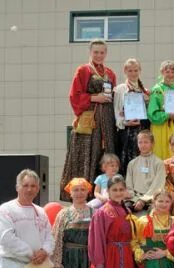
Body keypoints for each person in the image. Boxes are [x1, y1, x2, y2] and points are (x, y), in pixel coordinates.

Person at [60, 39, 117, 201]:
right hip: (89, 121)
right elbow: (74, 96)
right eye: (96, 52)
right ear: (90, 53)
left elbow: (114, 97)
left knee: (106, 154)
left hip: (107, 121)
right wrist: (94, 97)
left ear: (106, 53)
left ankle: (107, 195)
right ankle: (83, 197)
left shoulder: (111, 73)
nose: (99, 55)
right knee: (86, 155)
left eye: (102, 52)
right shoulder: (83, 70)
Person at [113, 58, 150, 175]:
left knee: (144, 162)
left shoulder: (145, 91)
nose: (133, 73)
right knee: (128, 162)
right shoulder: (120, 89)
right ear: (125, 71)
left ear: (140, 71)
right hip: (127, 132)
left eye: (135, 70)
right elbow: (116, 112)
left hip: (143, 130)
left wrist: (148, 101)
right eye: (130, 71)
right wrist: (124, 122)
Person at [147, 60, 174, 161]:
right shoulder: (157, 89)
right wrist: (167, 115)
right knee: (162, 153)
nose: (170, 75)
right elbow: (152, 113)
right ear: (162, 72)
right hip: (161, 127)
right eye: (167, 72)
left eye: (172, 72)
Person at [125, 130, 166, 213]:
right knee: (124, 211)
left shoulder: (159, 163)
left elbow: (158, 185)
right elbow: (129, 185)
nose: (143, 145)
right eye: (140, 142)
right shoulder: (132, 163)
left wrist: (143, 200)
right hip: (134, 198)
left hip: (151, 199)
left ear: (152, 144)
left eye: (146, 142)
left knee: (155, 212)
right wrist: (134, 198)